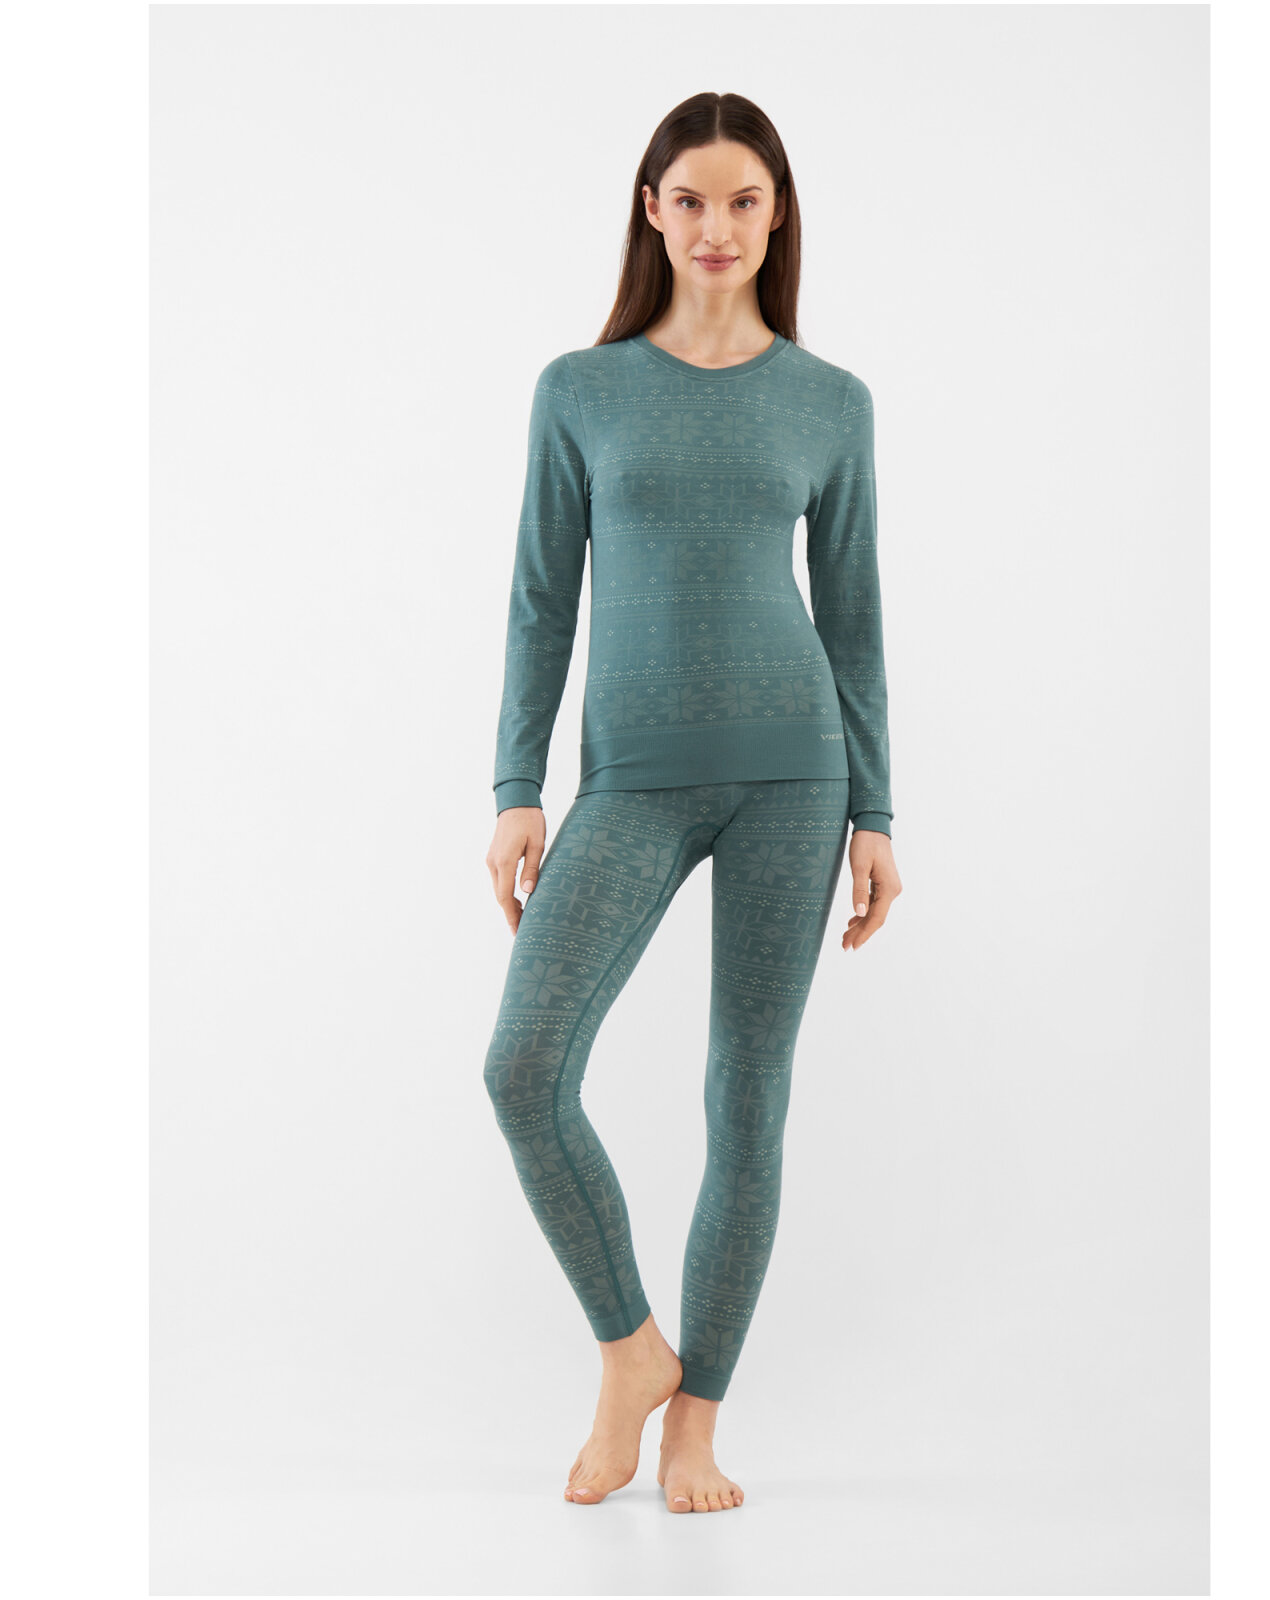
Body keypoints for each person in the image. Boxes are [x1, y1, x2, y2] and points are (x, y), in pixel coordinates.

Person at [482, 91, 902, 1514]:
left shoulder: (831, 403)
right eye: (690, 200)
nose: (716, 227)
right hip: (631, 783)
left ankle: (696, 1426)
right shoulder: (580, 390)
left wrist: (878, 812)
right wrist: (517, 786)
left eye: (743, 200)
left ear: (776, 215)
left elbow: (855, 621)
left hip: (798, 777)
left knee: (746, 1096)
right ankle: (631, 1352)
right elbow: (541, 600)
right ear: (650, 211)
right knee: (524, 1069)